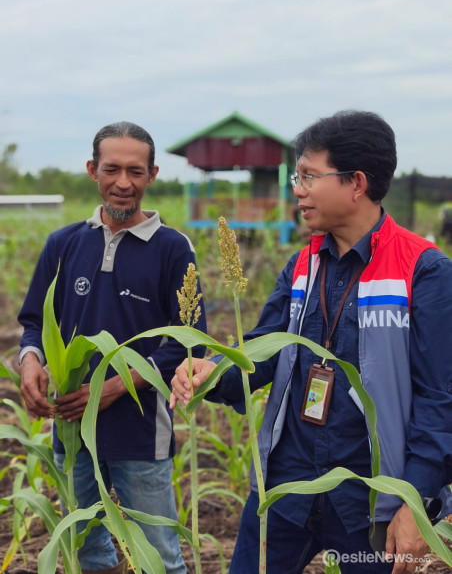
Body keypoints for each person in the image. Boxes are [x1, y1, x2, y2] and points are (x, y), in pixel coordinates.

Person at [170, 111, 452, 574]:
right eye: (295, 176)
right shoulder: (302, 265)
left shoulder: (423, 270)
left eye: (308, 176)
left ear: (356, 182)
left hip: (370, 500)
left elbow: (440, 399)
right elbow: (264, 348)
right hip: (285, 487)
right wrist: (212, 370)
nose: (296, 189)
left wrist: (415, 503)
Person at [18, 121, 206, 574]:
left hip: (142, 433)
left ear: (153, 175)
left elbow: (189, 342)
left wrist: (118, 385)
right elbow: (33, 324)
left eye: (136, 172)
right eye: (113, 169)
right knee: (86, 551)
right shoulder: (63, 244)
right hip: (70, 430)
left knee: (160, 554)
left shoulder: (172, 249)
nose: (124, 183)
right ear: (92, 170)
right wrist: (30, 362)